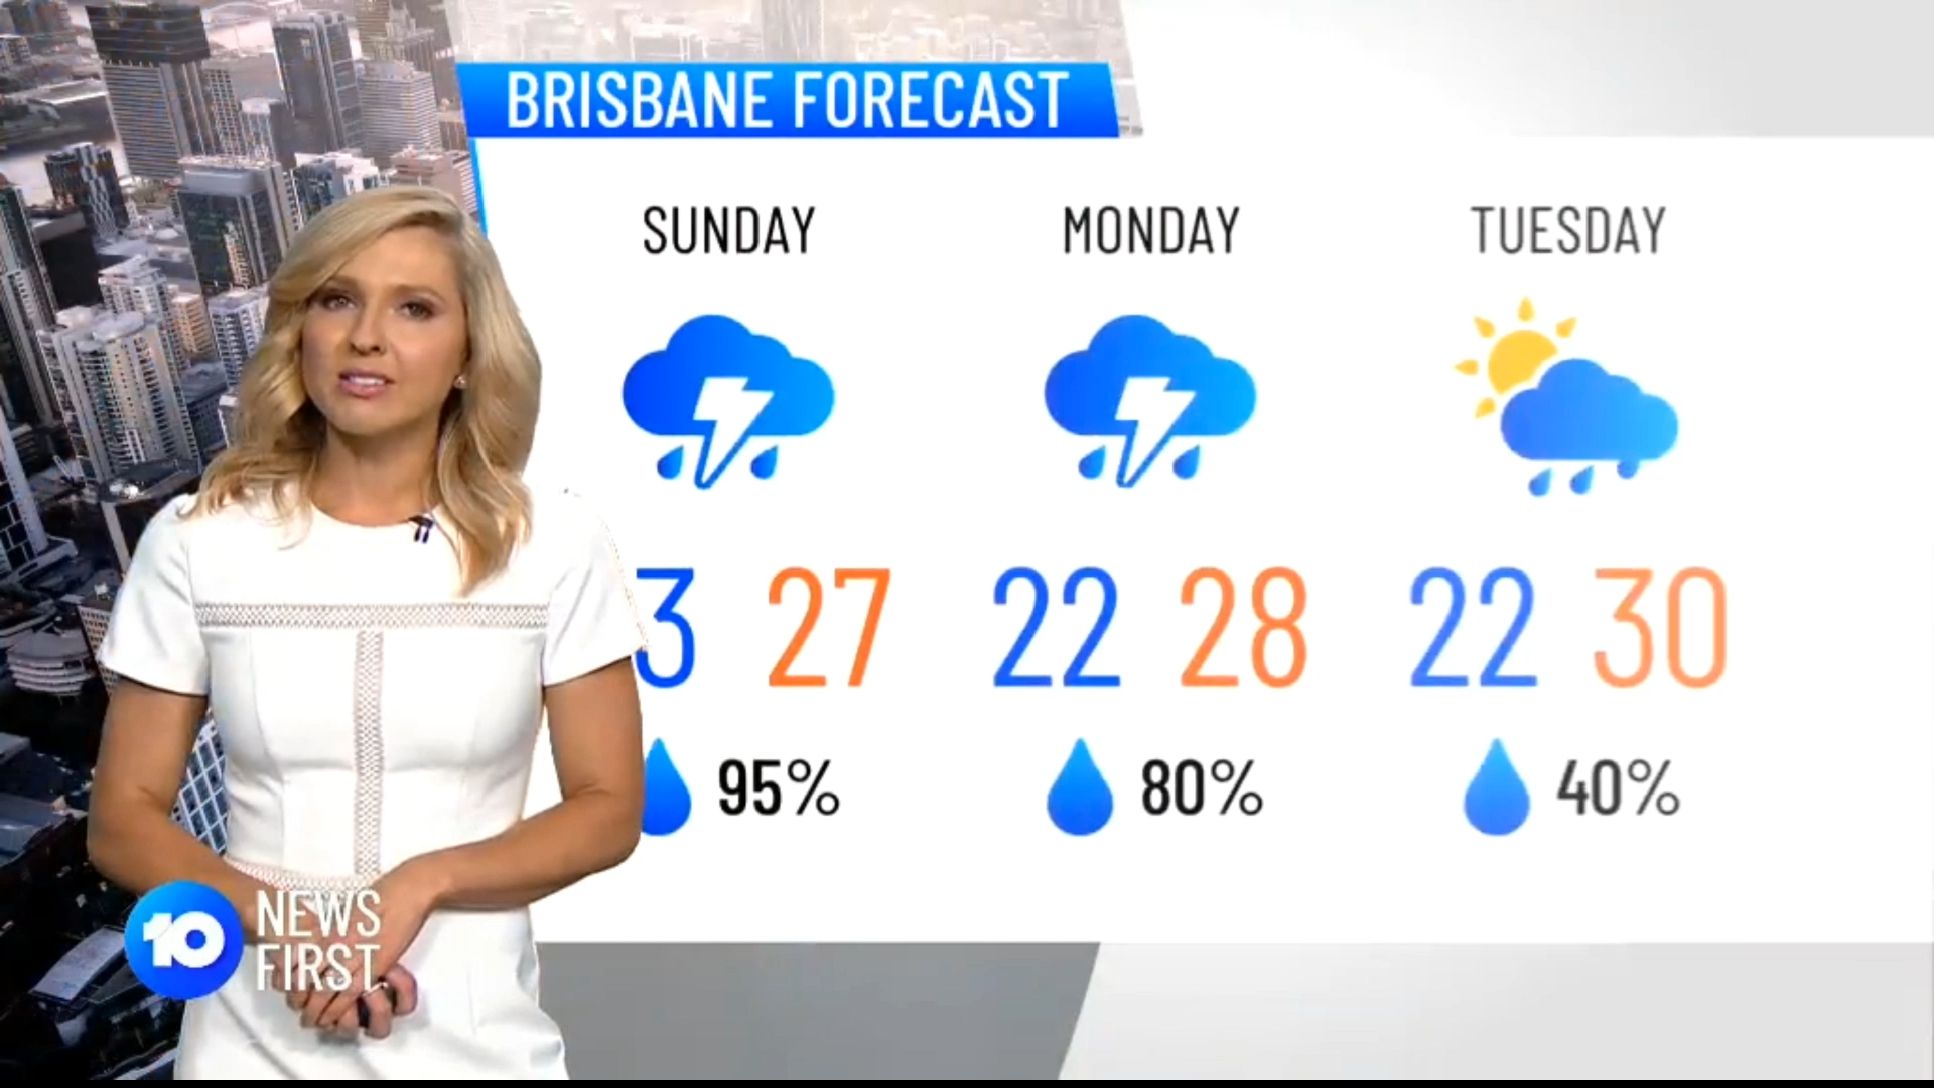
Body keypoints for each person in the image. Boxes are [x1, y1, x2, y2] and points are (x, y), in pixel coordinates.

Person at [86, 186, 647, 1079]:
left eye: (414, 308)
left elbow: (609, 809)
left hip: (476, 1045)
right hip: (248, 1043)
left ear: (468, 353)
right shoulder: (197, 540)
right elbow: (122, 819)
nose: (366, 337)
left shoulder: (555, 544)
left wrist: (417, 884)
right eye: (337, 300)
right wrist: (293, 928)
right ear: (299, 331)